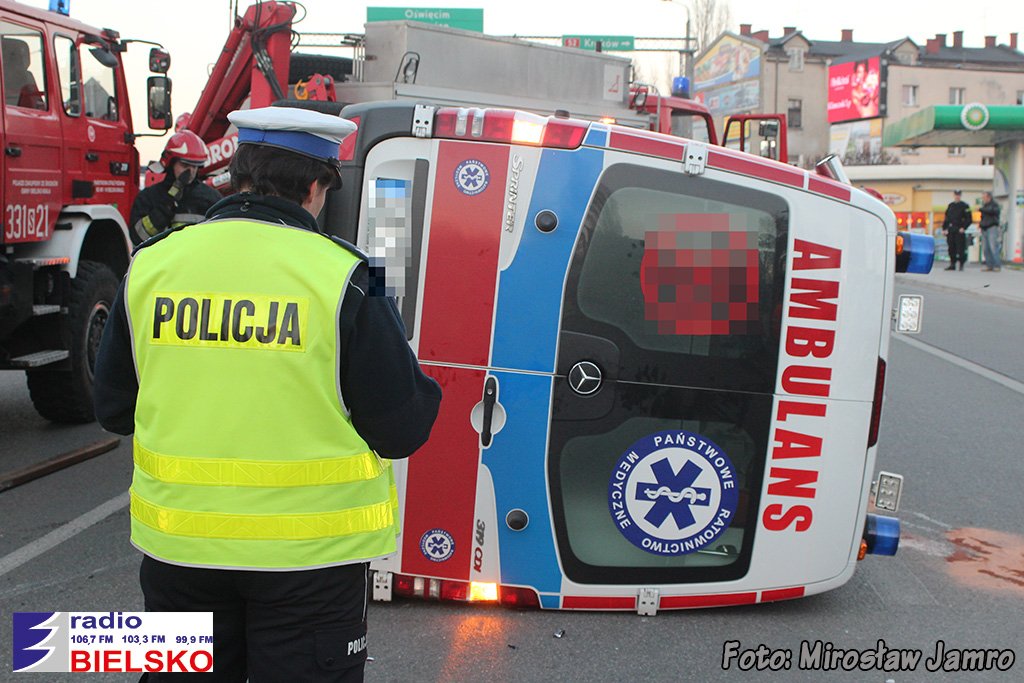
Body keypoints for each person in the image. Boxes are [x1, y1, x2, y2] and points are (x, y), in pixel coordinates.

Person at [93, 106, 442, 682]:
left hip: (181, 551)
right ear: (315, 186)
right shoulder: (348, 276)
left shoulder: (151, 267)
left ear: (239, 176)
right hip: (310, 565)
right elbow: (401, 428)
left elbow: (113, 410)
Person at [129, 130, 221, 246]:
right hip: (161, 262)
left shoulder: (210, 198)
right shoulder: (149, 198)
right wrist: (163, 210)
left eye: (194, 166)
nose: (190, 172)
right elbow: (138, 238)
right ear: (170, 164)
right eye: (185, 165)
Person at [942, 189, 972, 270]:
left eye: (958, 195)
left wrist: (964, 228)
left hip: (959, 229)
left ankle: (961, 264)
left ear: (960, 196)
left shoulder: (965, 206)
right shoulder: (950, 205)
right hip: (951, 229)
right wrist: (944, 228)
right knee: (951, 247)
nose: (957, 196)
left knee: (960, 248)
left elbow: (969, 219)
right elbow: (946, 218)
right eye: (956, 195)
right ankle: (952, 264)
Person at [979, 191, 1002, 272]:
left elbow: (992, 211)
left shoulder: (994, 205)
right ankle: (989, 265)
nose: (983, 199)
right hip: (984, 228)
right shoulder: (984, 206)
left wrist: (981, 209)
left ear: (989, 197)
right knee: (986, 248)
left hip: (992, 227)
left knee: (993, 247)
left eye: (984, 197)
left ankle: (997, 265)